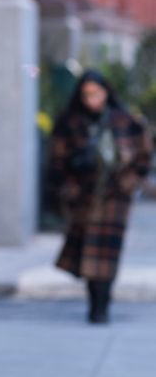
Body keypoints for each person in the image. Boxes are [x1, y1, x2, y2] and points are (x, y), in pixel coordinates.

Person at [48, 69, 152, 323]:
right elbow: (57, 161)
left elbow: (143, 158)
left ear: (106, 92)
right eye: (87, 94)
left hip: (115, 197)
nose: (92, 99)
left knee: (106, 254)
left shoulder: (125, 122)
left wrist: (129, 183)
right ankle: (95, 304)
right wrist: (68, 188)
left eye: (96, 93)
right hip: (84, 195)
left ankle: (101, 307)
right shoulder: (70, 123)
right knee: (87, 253)